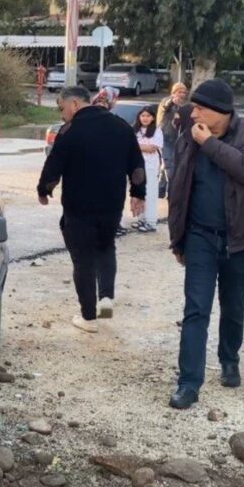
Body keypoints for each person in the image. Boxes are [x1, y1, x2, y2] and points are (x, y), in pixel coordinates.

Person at [166, 79, 244, 410]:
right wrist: (178, 238)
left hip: (241, 238)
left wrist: (209, 143)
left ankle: (229, 359)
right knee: (196, 309)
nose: (193, 111)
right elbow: (180, 186)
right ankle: (188, 383)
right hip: (200, 235)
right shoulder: (190, 133)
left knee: (233, 303)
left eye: (199, 107)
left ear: (220, 111)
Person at [38, 86, 146, 332]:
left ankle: (88, 317)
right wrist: (138, 194)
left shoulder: (70, 131)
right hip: (111, 205)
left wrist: (44, 189)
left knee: (83, 259)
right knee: (106, 248)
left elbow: (54, 165)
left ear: (74, 104)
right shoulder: (121, 127)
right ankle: (106, 301)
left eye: (62, 108)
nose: (62, 114)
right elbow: (136, 165)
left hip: (79, 207)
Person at [132, 107, 163, 233]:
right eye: (143, 115)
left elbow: (153, 147)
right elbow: (131, 146)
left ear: (153, 118)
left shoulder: (157, 131)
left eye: (148, 116)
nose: (145, 118)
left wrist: (138, 146)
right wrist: (142, 147)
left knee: (150, 194)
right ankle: (141, 219)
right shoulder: (135, 130)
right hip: (137, 167)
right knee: (139, 194)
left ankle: (151, 222)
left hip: (150, 166)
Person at [157, 82, 188, 194]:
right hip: (164, 137)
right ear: (174, 92)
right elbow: (166, 106)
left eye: (184, 92)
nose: (182, 94)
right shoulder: (166, 101)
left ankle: (161, 187)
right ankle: (173, 189)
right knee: (169, 163)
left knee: (166, 163)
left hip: (176, 138)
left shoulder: (182, 106)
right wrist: (171, 101)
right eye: (180, 92)